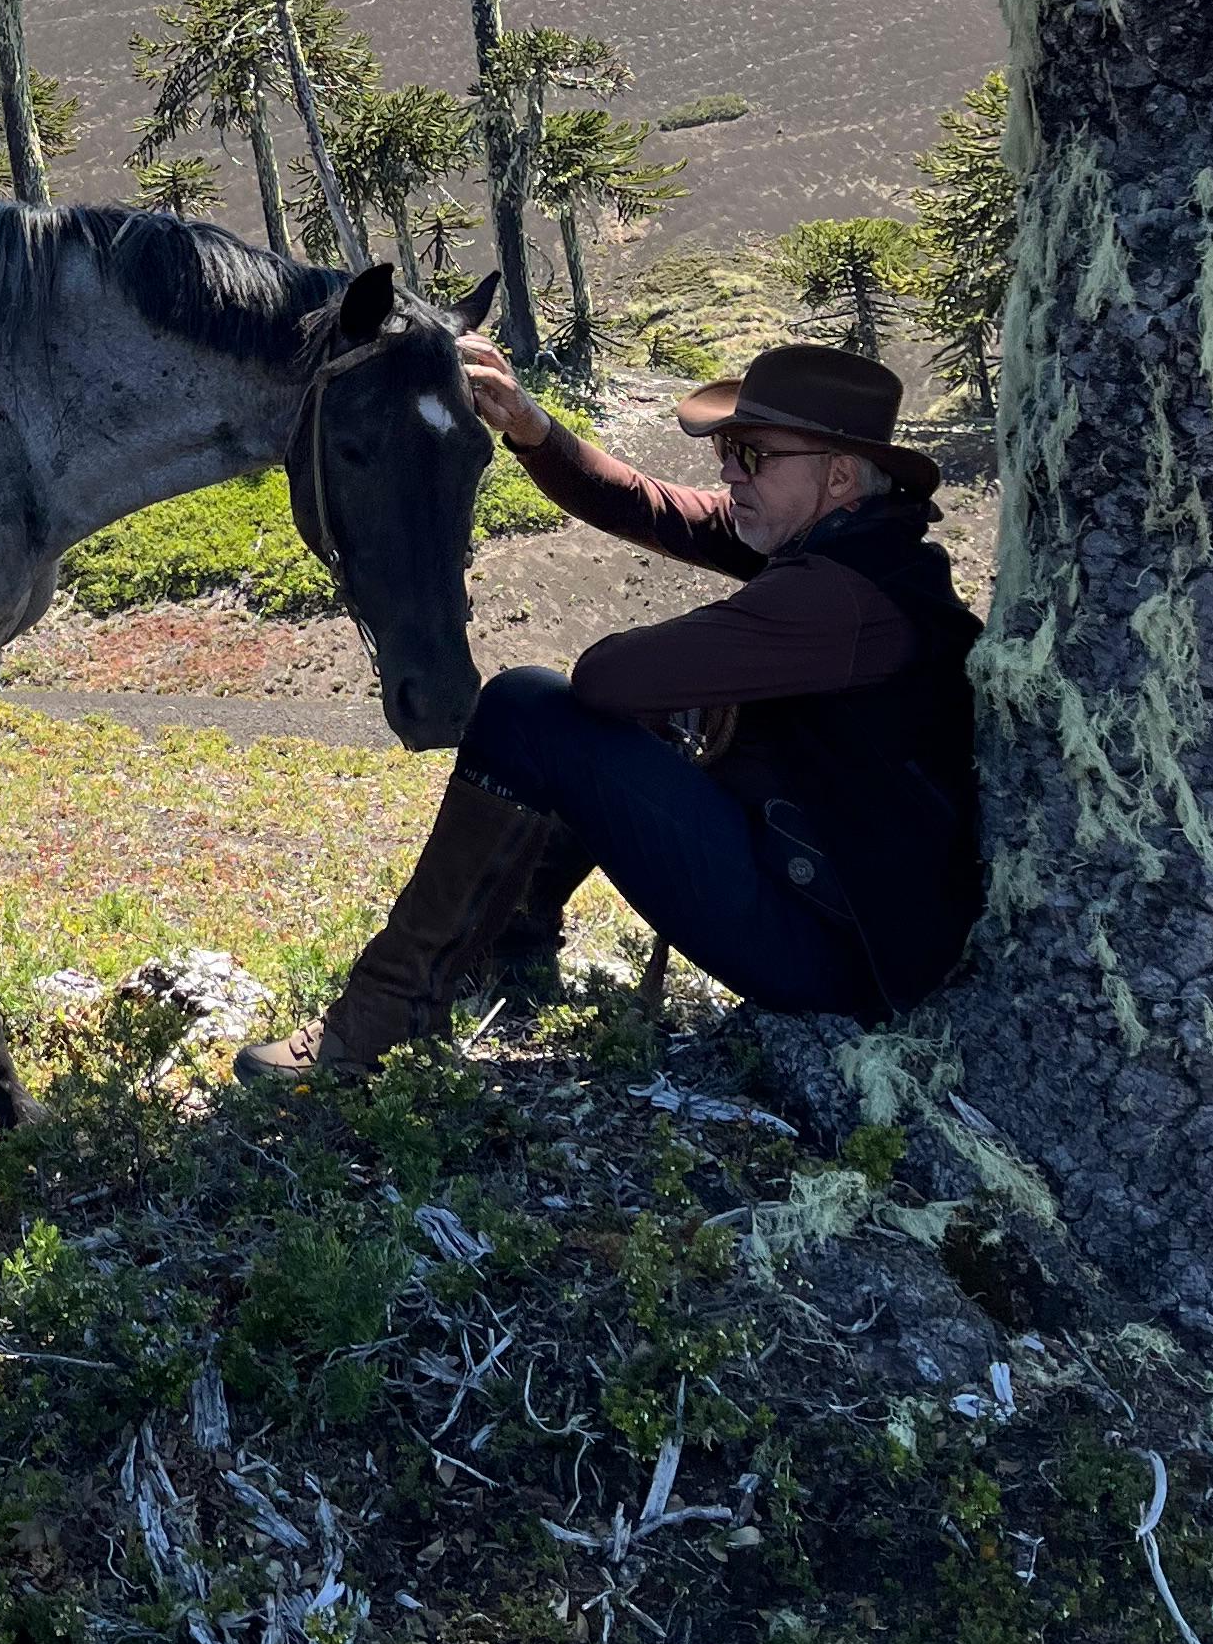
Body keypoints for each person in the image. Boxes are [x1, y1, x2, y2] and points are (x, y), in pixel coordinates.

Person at [238, 336, 983, 1085]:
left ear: (840, 475)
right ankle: (511, 954)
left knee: (528, 707)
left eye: (751, 454)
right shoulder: (865, 550)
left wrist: (705, 688)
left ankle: (378, 1020)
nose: (727, 470)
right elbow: (654, 508)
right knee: (601, 719)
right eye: (727, 448)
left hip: (822, 952)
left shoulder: (838, 599)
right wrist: (535, 430)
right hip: (834, 914)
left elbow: (606, 678)